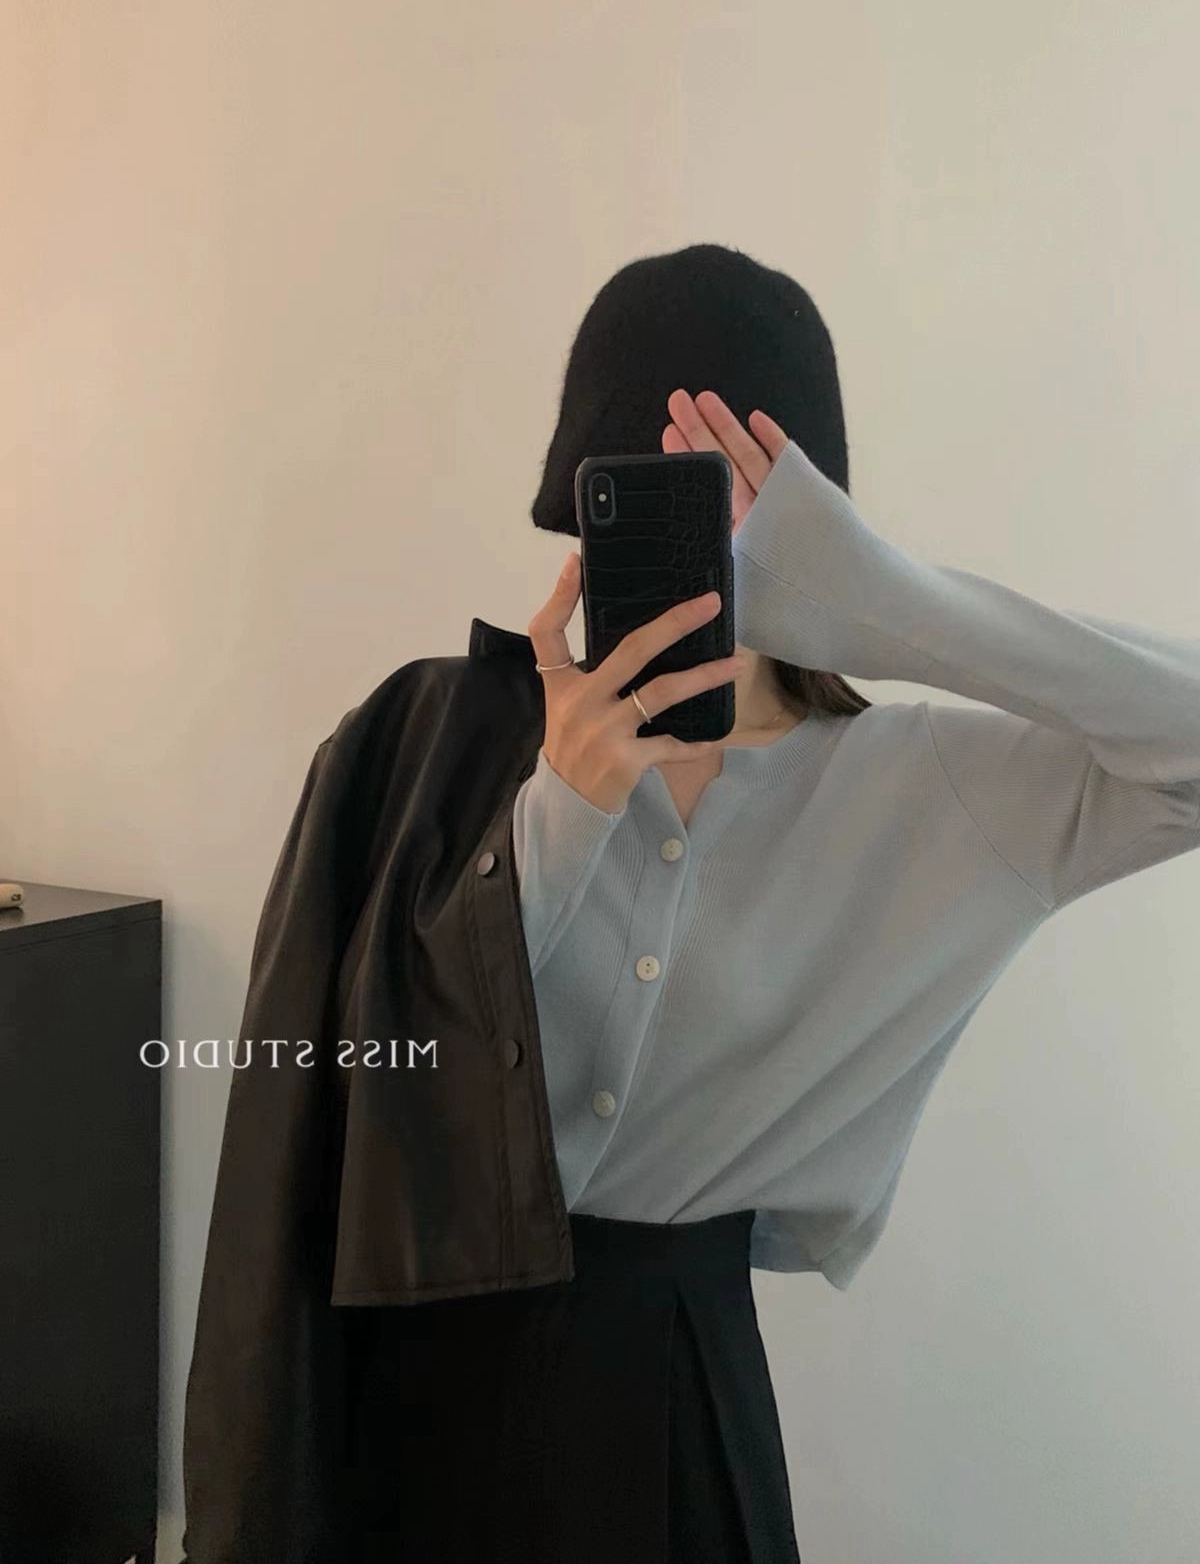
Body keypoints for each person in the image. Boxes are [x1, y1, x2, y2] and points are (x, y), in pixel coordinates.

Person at [361, 243, 1200, 1563]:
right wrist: (562, 813)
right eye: (621, 507)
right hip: (423, 1380)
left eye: (729, 511)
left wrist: (893, 606)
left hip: (682, 1401)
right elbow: (391, 1075)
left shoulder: (924, 791)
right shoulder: (454, 757)